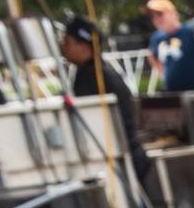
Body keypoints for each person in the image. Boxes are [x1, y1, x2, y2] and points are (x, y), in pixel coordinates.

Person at [59, 15, 149, 186]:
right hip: (126, 158)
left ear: (83, 45)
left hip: (123, 163)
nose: (62, 47)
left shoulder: (94, 76)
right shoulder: (90, 71)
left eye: (67, 42)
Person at [145, 0, 194, 92]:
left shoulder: (190, 31)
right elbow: (151, 55)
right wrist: (162, 74)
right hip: (173, 93)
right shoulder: (157, 38)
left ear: (172, 13)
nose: (157, 19)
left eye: (160, 14)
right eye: (152, 16)